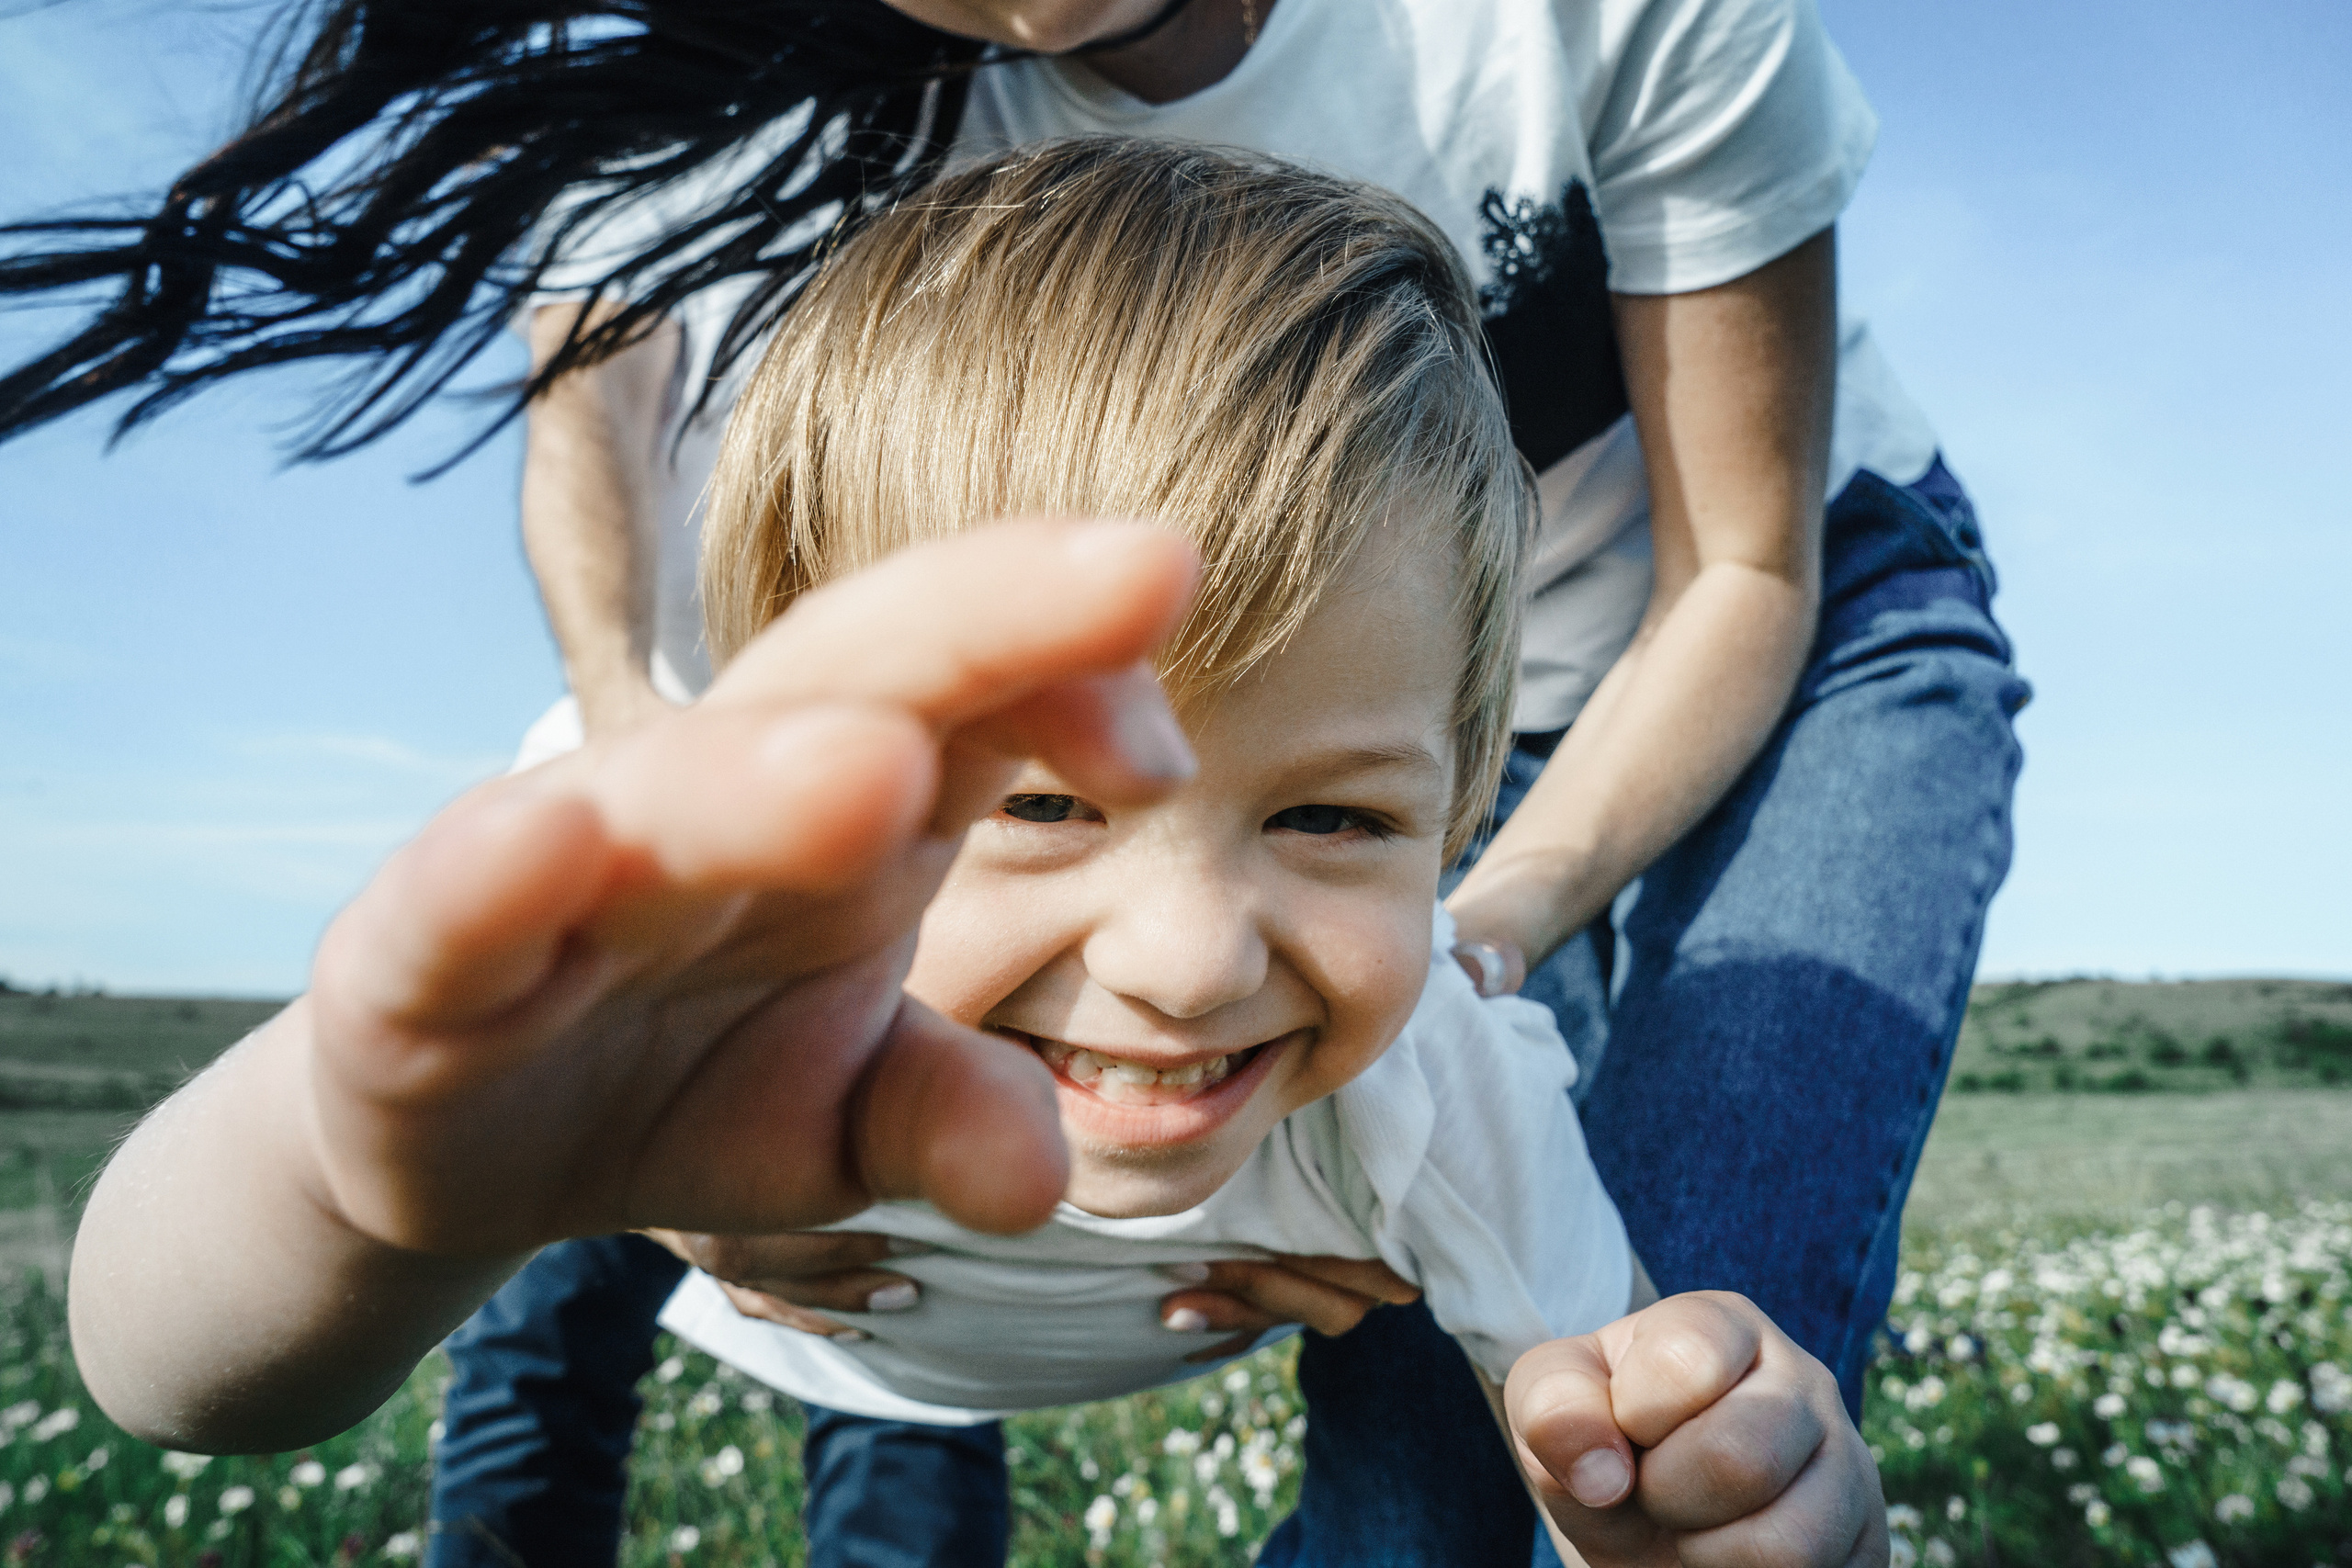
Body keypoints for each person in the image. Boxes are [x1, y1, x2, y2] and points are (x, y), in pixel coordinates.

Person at [5, 0, 2027, 1560]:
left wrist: (1464, 980)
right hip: (1327, 760)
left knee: (1624, 1344)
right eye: (1042, 801)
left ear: (1441, 809)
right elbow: (172, 1364)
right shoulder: (850, 156)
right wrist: (360, 1187)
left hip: (1738, 603)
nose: (1181, 957)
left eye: (1323, 825)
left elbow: (1741, 570)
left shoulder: (1422, 1060)